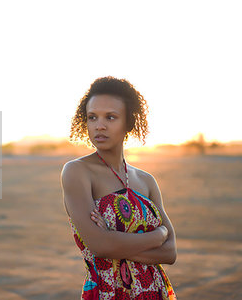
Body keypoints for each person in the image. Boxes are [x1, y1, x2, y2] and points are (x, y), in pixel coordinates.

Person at [61, 76, 178, 299]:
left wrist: (116, 242)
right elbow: (100, 246)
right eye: (92, 117)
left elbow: (170, 253)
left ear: (129, 123)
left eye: (111, 117)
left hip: (155, 292)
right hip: (109, 293)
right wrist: (157, 235)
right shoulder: (77, 172)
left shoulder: (146, 180)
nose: (99, 125)